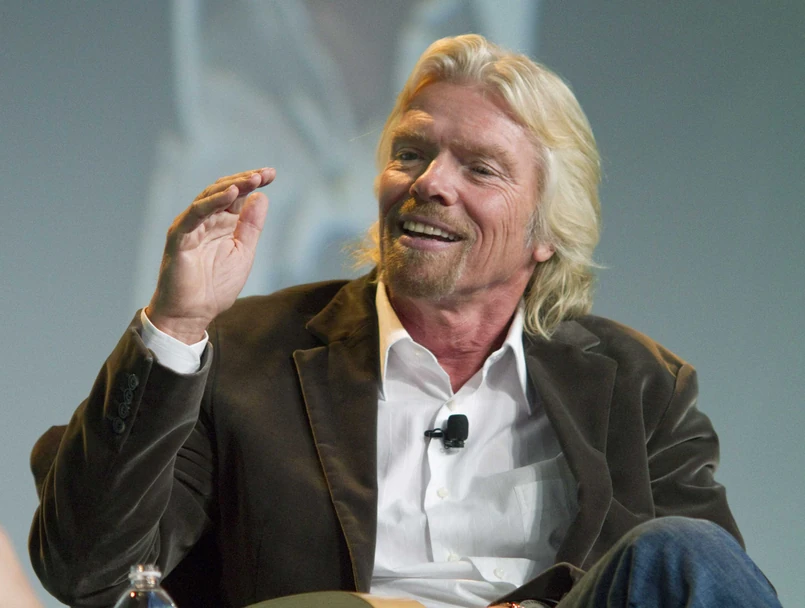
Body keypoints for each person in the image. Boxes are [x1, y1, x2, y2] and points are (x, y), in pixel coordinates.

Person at [29, 35, 780, 608]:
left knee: (682, 550)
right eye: (410, 154)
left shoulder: (643, 389)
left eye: (479, 168)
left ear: (547, 230)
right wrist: (177, 323)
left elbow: (705, 583)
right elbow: (87, 571)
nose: (430, 183)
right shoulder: (242, 356)